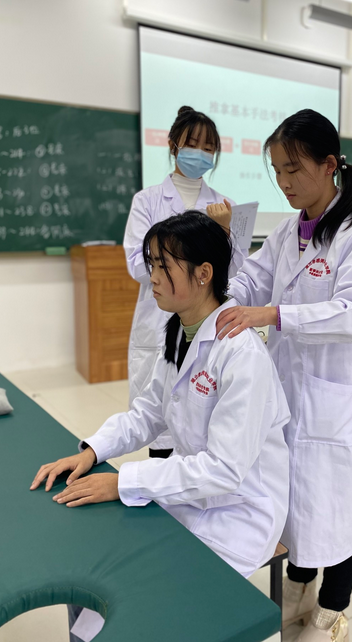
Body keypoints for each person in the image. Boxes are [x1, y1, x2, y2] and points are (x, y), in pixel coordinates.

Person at [30, 212, 290, 642]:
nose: (151, 276)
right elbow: (148, 413)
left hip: (239, 511)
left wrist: (123, 482)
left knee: (135, 604)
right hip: (191, 494)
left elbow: (224, 470)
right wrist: (92, 451)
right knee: (92, 578)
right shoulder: (179, 332)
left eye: (163, 265)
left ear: (204, 273)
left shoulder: (241, 355)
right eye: (151, 263)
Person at [216, 109, 352, 642]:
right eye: (277, 170)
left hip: (337, 408)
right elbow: (252, 279)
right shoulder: (287, 232)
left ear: (329, 164)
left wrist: (274, 315)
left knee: (337, 512)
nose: (284, 181)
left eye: (293, 168)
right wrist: (220, 292)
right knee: (296, 504)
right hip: (291, 398)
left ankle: (331, 615)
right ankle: (297, 589)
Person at [124, 106, 247, 459]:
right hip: (158, 322)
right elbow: (136, 263)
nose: (201, 154)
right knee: (159, 426)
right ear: (173, 145)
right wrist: (183, 258)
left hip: (203, 325)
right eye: (193, 144)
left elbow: (236, 272)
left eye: (209, 148)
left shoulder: (224, 206)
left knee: (202, 430)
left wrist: (224, 233)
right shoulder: (147, 200)